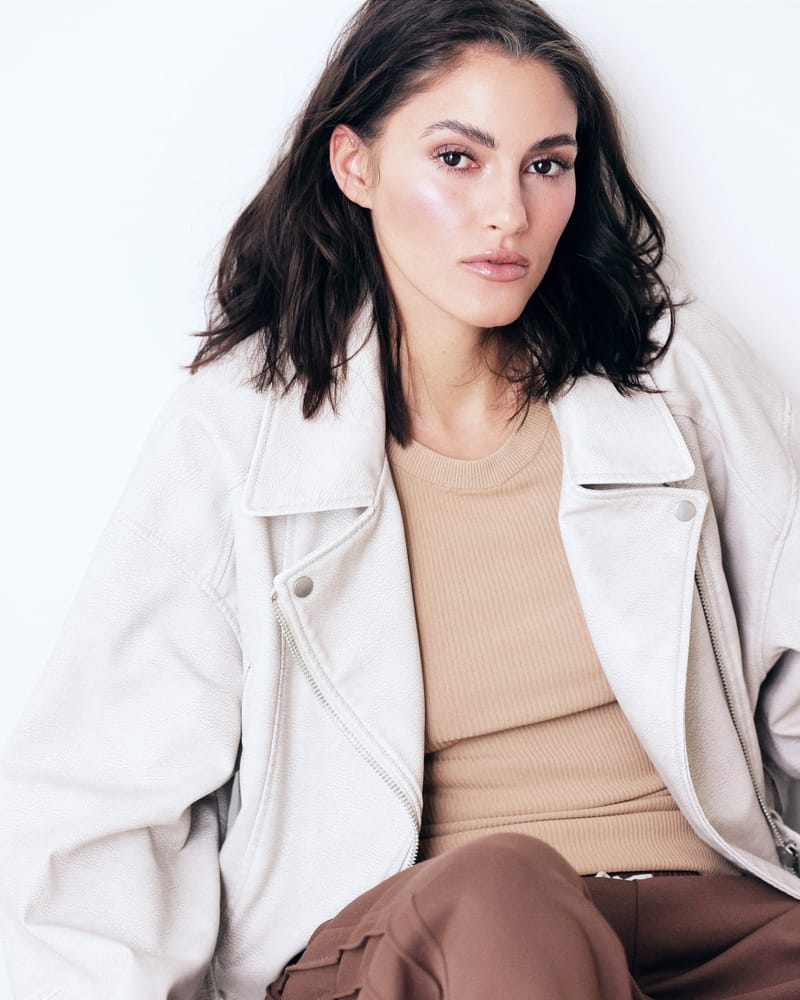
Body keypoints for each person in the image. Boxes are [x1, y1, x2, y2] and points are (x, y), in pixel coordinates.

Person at [1, 0, 798, 996]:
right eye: (458, 159)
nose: (508, 212)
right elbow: (101, 797)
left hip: (702, 930)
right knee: (504, 891)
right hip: (418, 943)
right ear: (355, 166)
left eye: (545, 165)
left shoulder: (673, 373)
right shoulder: (237, 436)